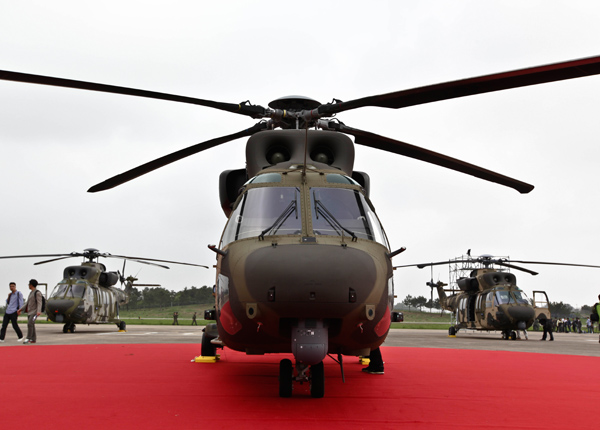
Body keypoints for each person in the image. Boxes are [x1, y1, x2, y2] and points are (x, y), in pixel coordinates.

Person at [17, 279, 43, 344]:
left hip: (35, 312)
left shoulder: (37, 293)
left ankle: (28, 338)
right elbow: (27, 303)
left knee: (30, 323)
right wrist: (20, 309)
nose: (28, 285)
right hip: (30, 312)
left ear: (31, 285)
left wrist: (38, 311)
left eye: (29, 284)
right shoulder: (31, 293)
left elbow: (39, 303)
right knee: (32, 324)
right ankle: (33, 339)